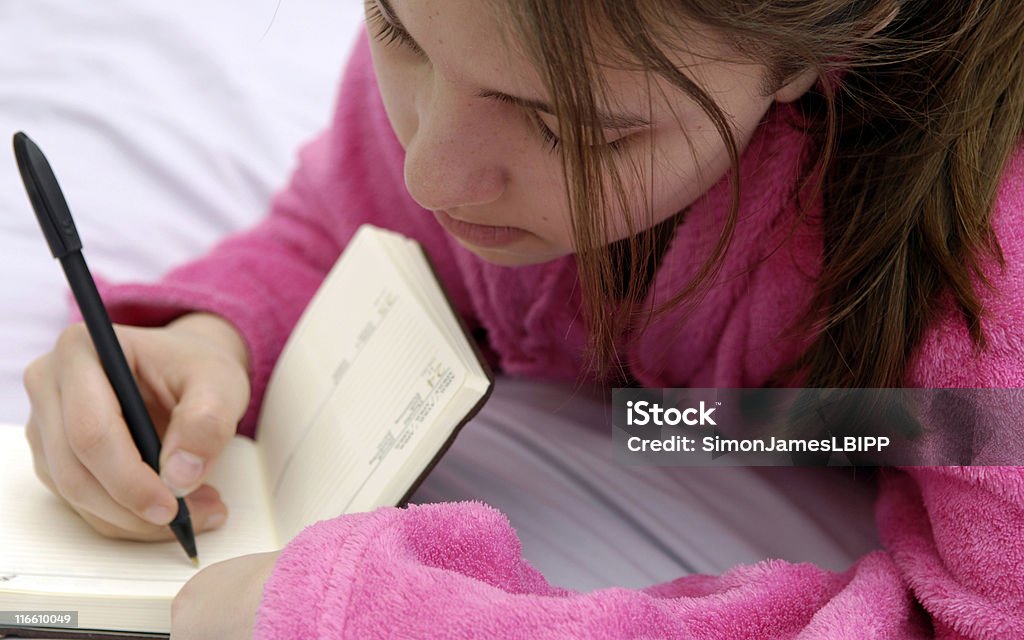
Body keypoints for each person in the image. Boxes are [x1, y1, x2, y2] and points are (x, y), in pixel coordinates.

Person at [21, 0, 1024, 637]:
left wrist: (414, 620)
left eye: (569, 125)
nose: (432, 171)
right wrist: (211, 336)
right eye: (396, 32)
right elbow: (342, 221)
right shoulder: (477, 44)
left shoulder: (989, 264)